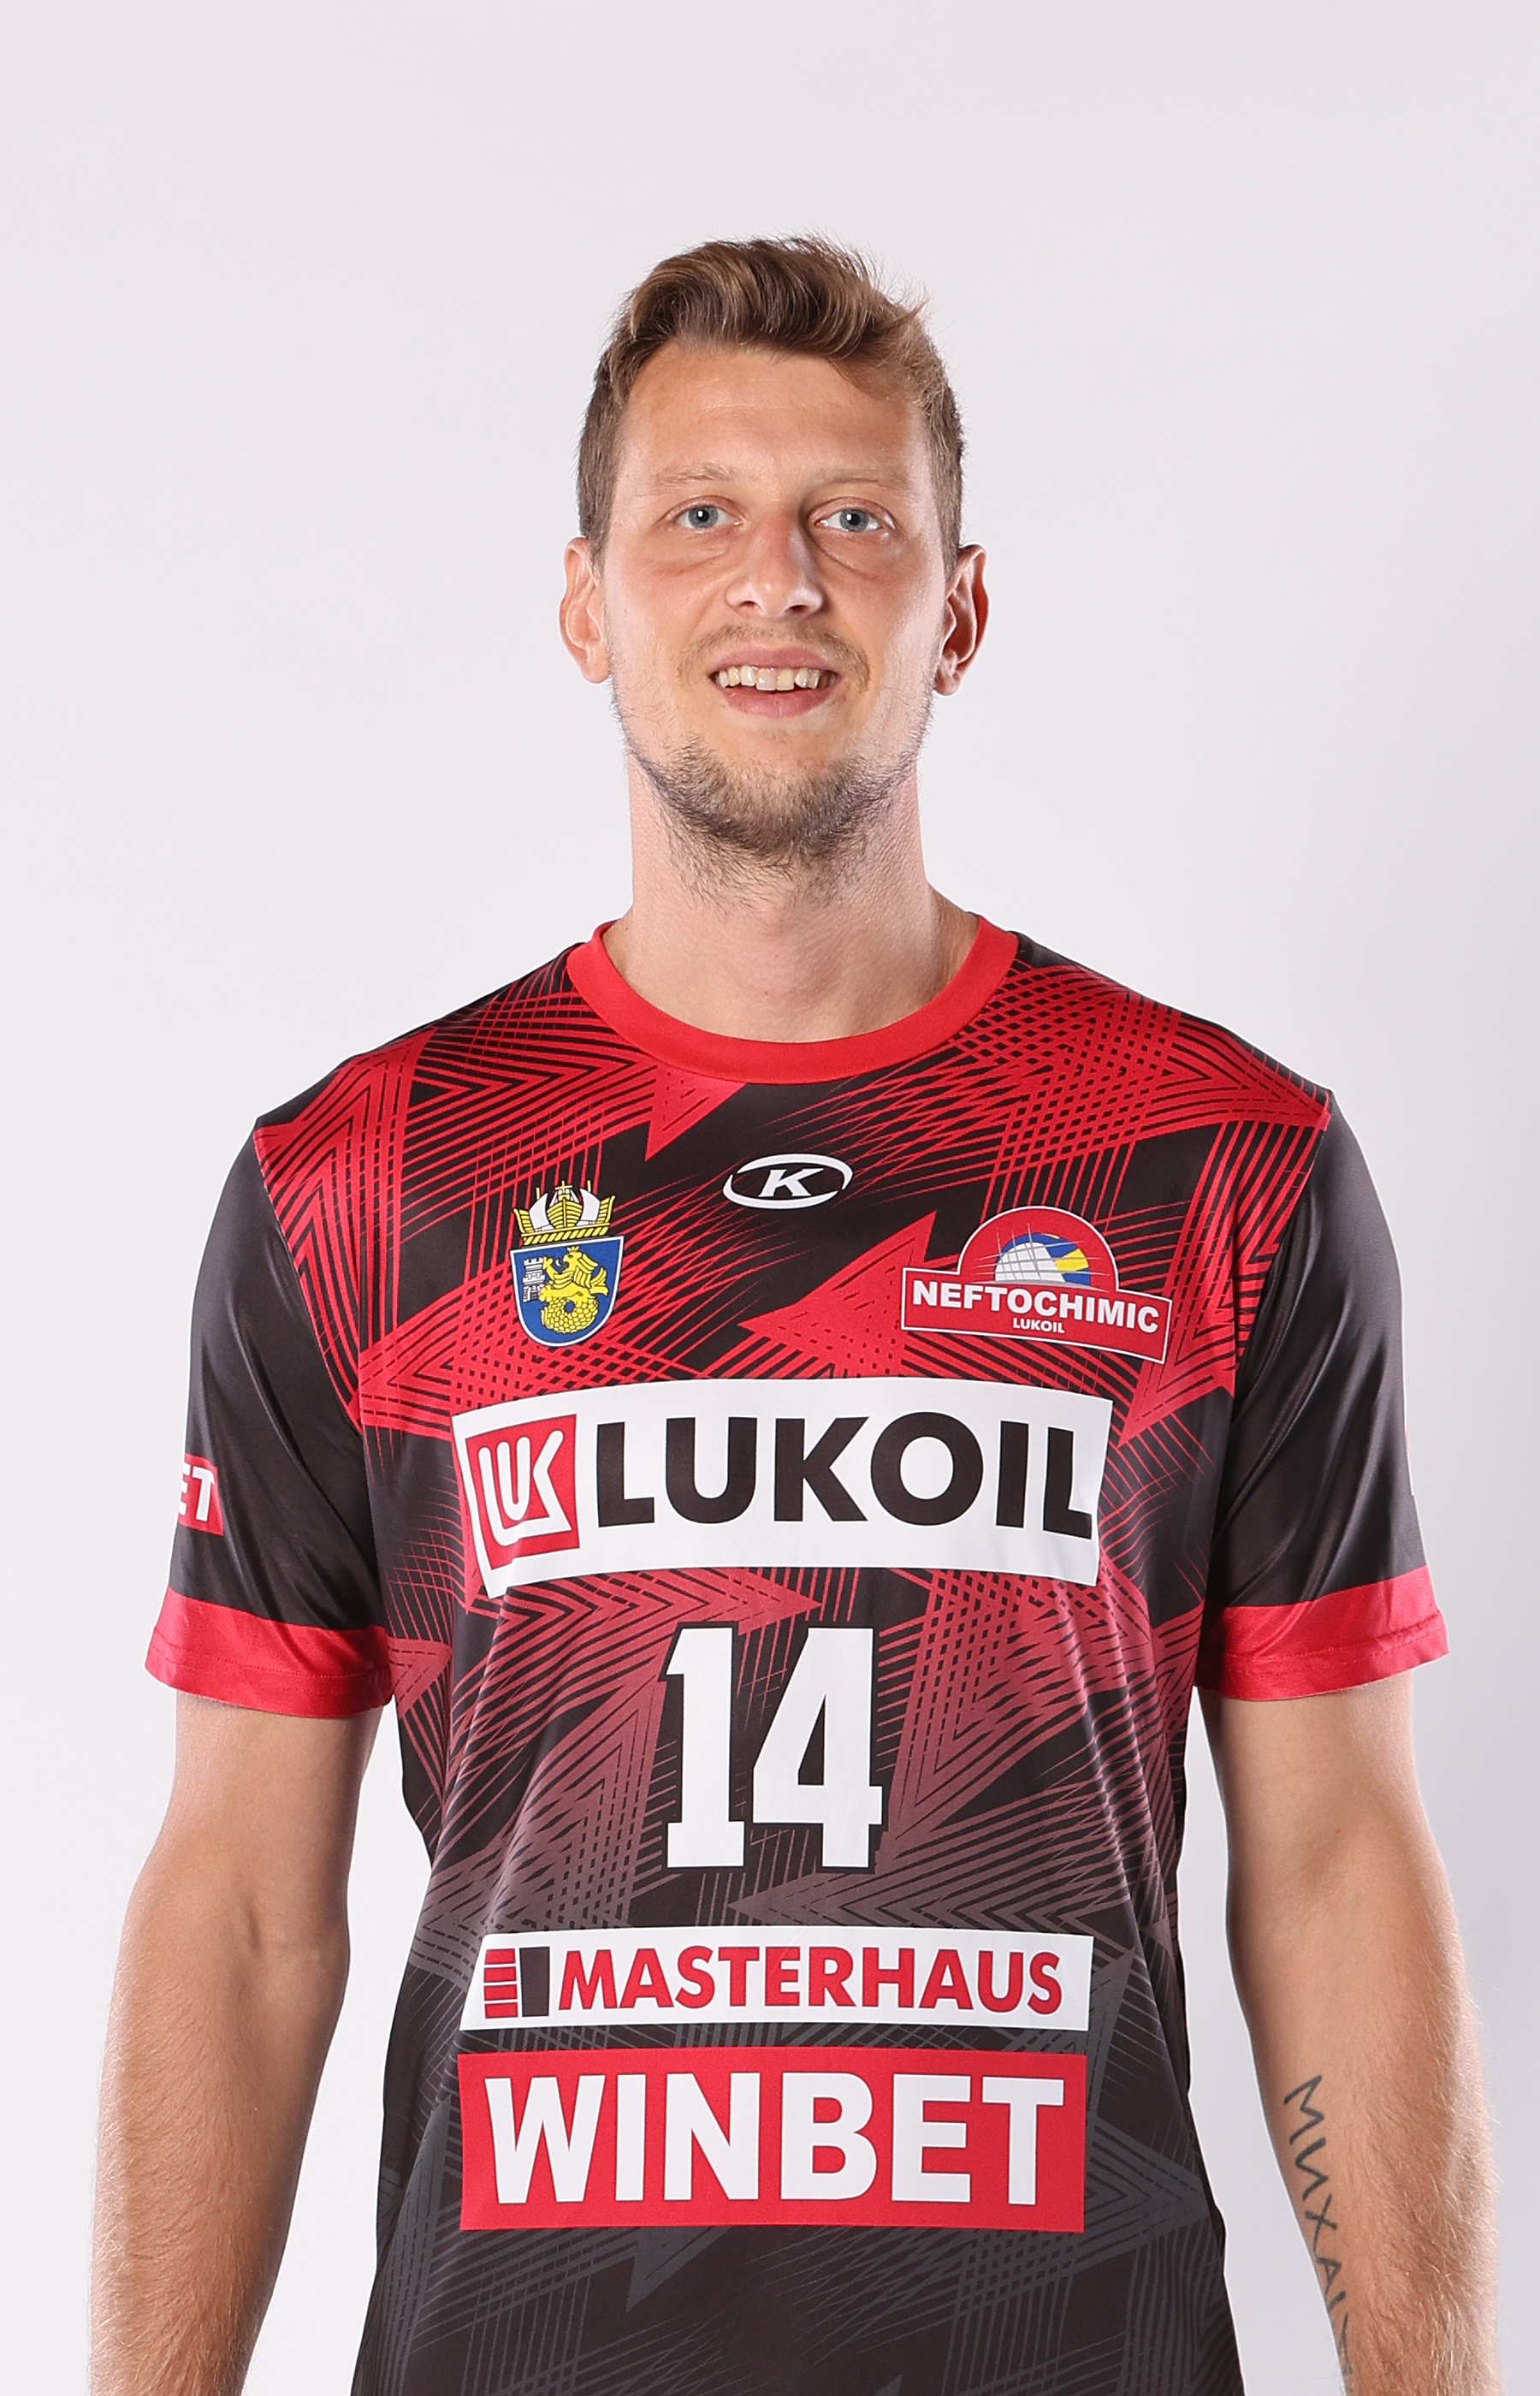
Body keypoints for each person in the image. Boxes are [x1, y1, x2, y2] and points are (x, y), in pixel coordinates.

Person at [93, 237, 1500, 2396]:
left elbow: (1334, 1866)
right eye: (700, 515)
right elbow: (243, 1910)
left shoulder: (1222, 1162)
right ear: (587, 602)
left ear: (960, 610)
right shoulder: (364, 1184)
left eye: (856, 517)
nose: (780, 577)